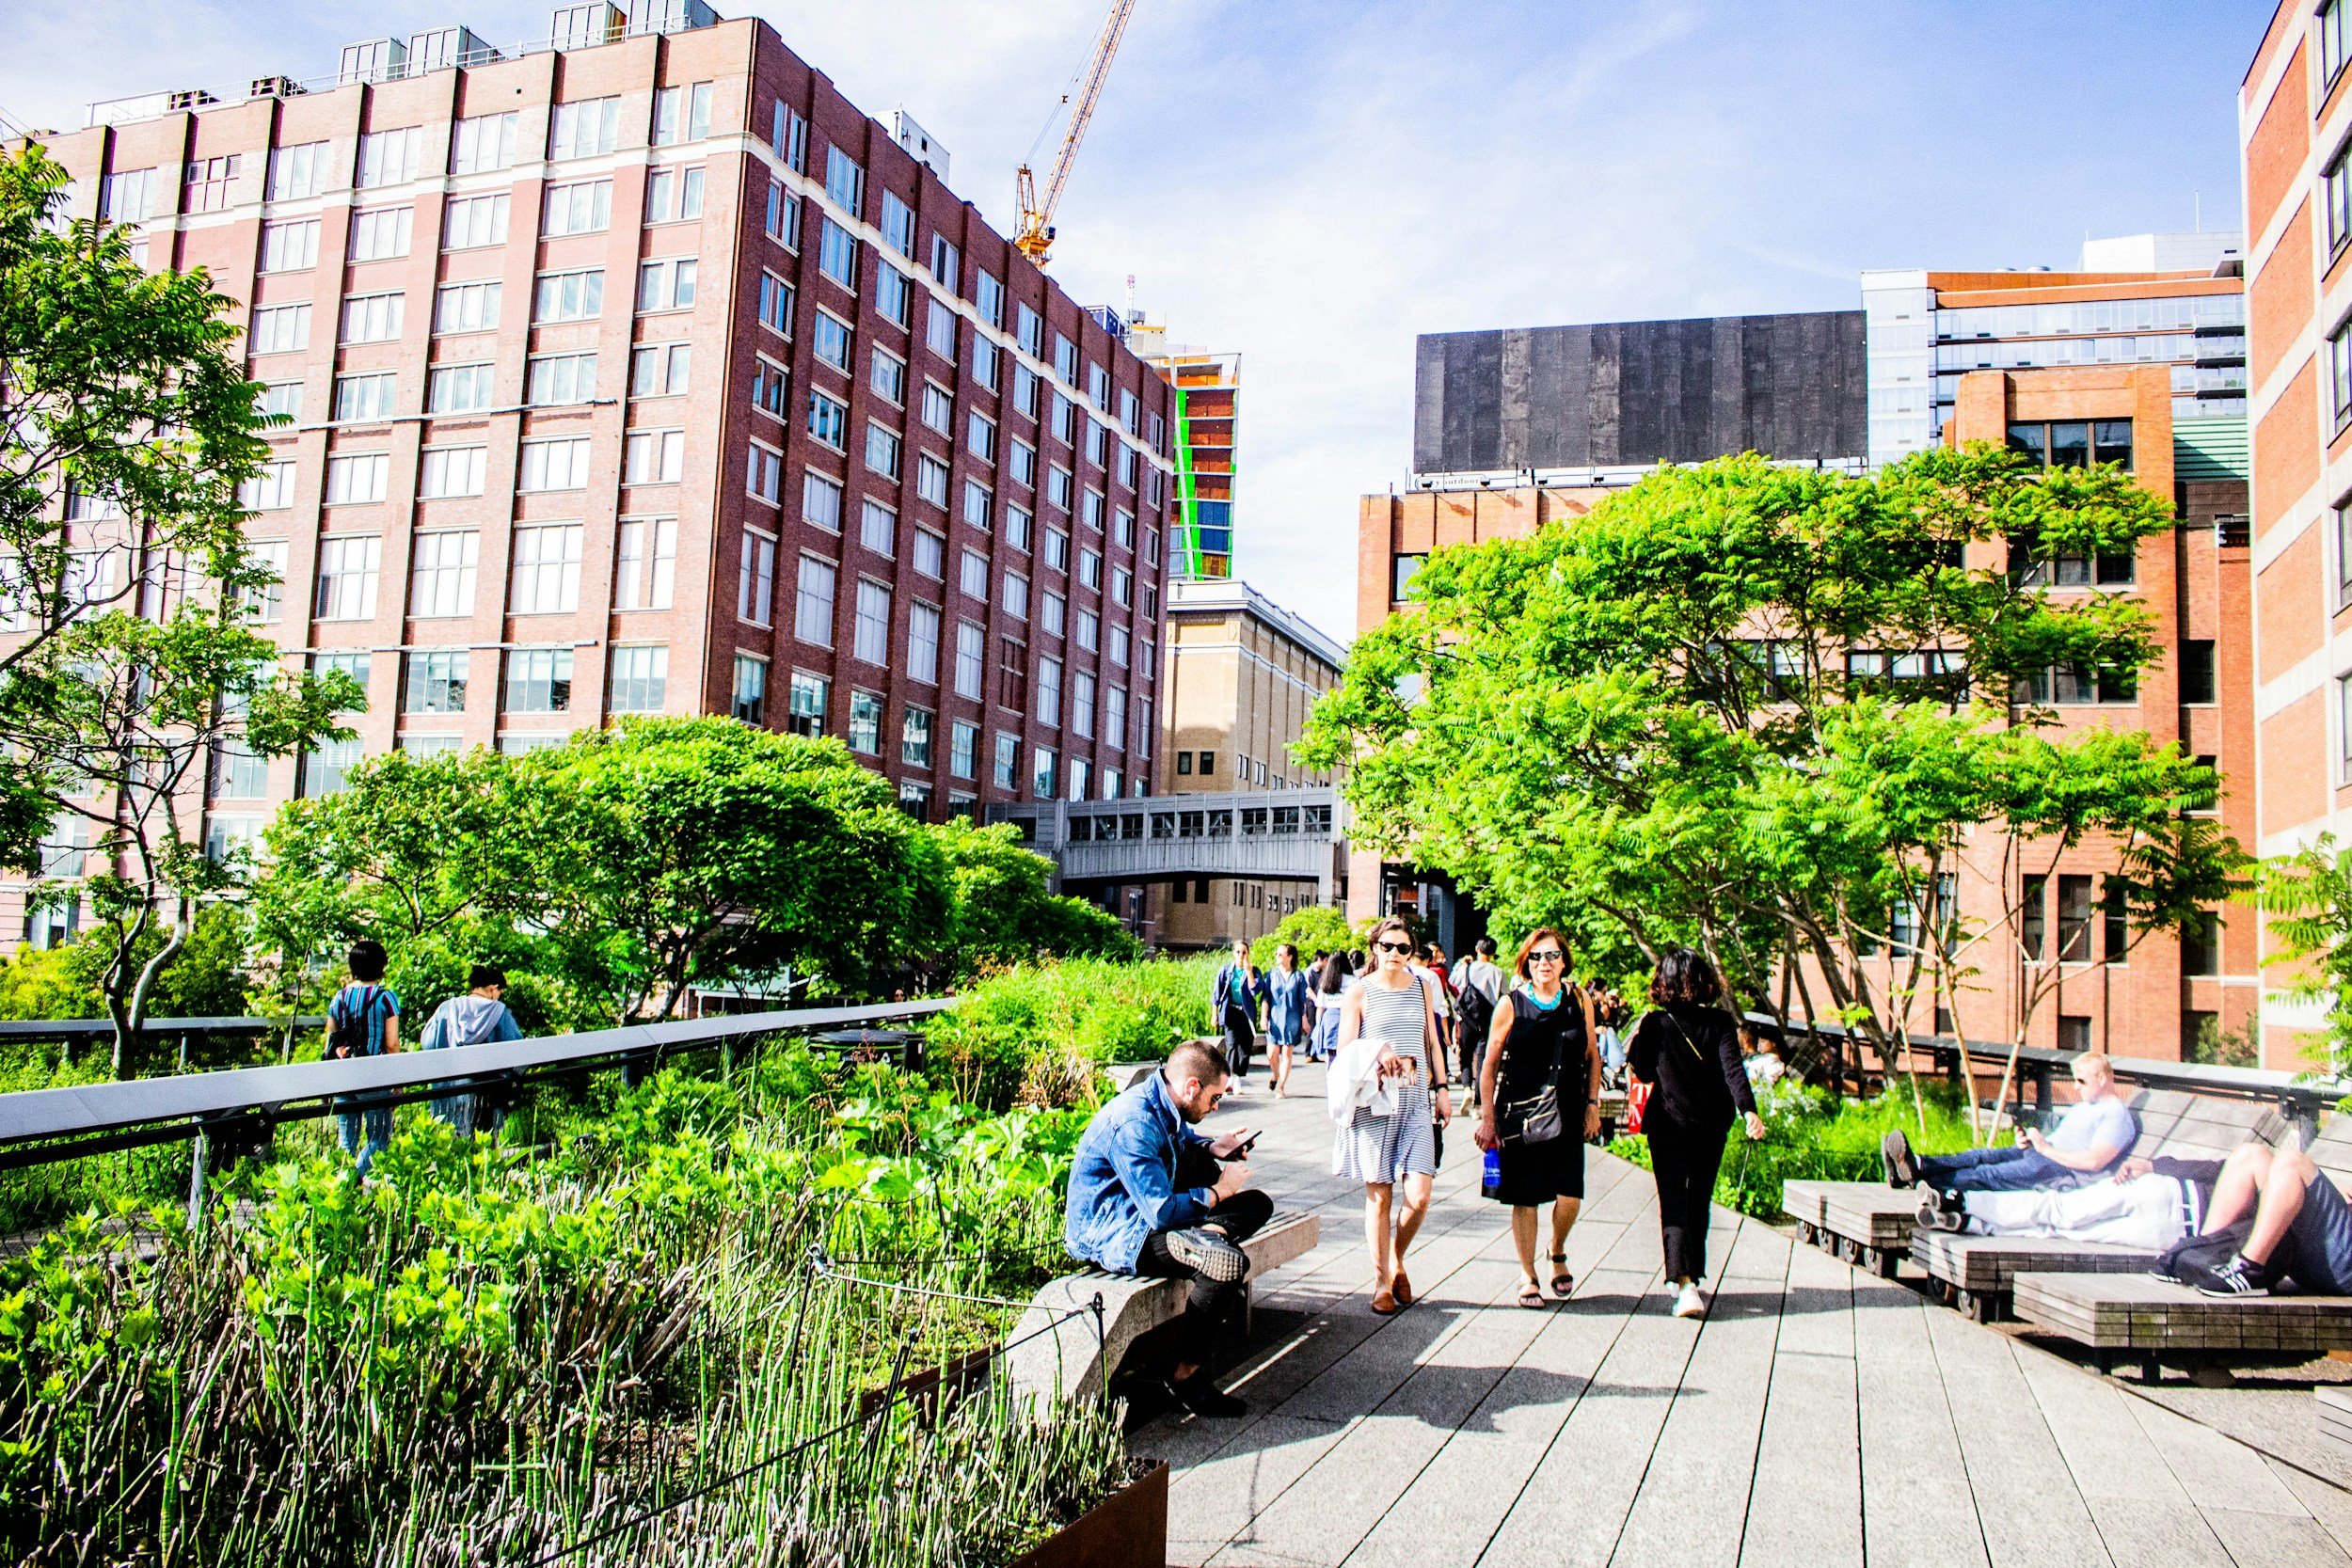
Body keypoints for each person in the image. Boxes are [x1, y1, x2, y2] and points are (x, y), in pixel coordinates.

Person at [1064, 1040, 1270, 1416]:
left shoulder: (1162, 1100)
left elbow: (1183, 1141)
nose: (1215, 1106)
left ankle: (1207, 1237)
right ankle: (1184, 1376)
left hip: (1150, 1220)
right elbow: (1159, 1210)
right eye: (1214, 1098)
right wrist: (1217, 1192)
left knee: (1258, 1203)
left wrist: (1214, 1147)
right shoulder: (1134, 1122)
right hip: (1123, 1234)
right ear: (1192, 1086)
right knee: (1226, 1266)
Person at [1625, 948, 1763, 1320]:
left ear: (1664, 982)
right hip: (1712, 1125)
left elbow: (1643, 1072)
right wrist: (1749, 1111)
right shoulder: (1720, 1022)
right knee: (1698, 1198)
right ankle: (1692, 1277)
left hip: (1668, 1123)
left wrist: (1641, 1035)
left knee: (1673, 1200)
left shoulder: (1657, 1023)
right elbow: (1734, 1069)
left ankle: (1683, 1282)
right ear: (1702, 981)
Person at [1474, 929, 1603, 1308]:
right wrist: (1488, 1118)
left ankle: (1557, 1250)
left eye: (1551, 956)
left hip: (1567, 1108)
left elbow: (1592, 1054)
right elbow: (1490, 1064)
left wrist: (1592, 1104)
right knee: (1525, 1197)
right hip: (1522, 1112)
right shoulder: (1511, 1004)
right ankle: (1528, 1272)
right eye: (1535, 957)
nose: (1543, 963)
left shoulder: (1579, 999)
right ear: (1525, 963)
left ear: (1564, 961)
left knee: (1570, 1195)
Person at [1328, 916, 1449, 1315]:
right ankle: (1381, 1280)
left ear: (1411, 952)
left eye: (1403, 948)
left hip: (1415, 1100)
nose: (1395, 954)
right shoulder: (1359, 992)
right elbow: (1345, 1050)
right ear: (1374, 949)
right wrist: (1378, 1051)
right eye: (1387, 947)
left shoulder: (1422, 986)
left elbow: (1432, 1041)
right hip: (1376, 1104)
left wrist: (1443, 1090)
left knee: (1420, 1195)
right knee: (1379, 1196)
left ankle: (1396, 1256)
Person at [1882, 1053, 2136, 1196]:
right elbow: (2066, 1140)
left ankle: (1921, 1184)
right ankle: (1918, 1165)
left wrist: (2046, 1149)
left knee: (1987, 1174)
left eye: (2081, 1081)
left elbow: (2094, 1162)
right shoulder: (2086, 1107)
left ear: (2102, 1078)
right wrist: (2030, 1142)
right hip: (2043, 1155)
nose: (2075, 1087)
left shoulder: (2115, 1114)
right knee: (1980, 1156)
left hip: (2058, 1169)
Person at [2163, 1137, 2352, 1298]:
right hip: (2330, 1254)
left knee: (2293, 1163)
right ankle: (2202, 1253)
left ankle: (2249, 1268)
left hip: (2343, 1270)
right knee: (2251, 1156)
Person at [1918, 1151, 2218, 1251]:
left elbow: (2220, 1170)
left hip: (2172, 1213)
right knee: (2060, 1220)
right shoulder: (2261, 1173)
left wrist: (2153, 1166)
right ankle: (1966, 1212)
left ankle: (1967, 1211)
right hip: (2175, 1220)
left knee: (2061, 1219)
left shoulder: (2260, 1166)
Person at [325, 940, 402, 1178]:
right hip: (375, 1075)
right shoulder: (385, 998)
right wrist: (398, 1083)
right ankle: (353, 1179)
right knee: (379, 1138)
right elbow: (391, 1044)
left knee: (346, 1141)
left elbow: (330, 1040)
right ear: (381, 967)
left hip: (343, 1075)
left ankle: (341, 1190)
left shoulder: (340, 997)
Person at [419, 964, 524, 1137]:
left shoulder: (447, 1008)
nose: (498, 998)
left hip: (447, 1089)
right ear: (492, 988)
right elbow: (516, 1049)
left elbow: (427, 1043)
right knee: (483, 1145)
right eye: (499, 993)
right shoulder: (499, 1012)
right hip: (485, 1095)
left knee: (449, 1142)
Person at [1452, 939, 1505, 1103]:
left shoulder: (1467, 968)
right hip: (1488, 1020)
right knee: (1483, 1060)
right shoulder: (1498, 972)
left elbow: (1453, 981)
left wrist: (1462, 964)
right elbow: (1504, 995)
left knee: (1466, 1055)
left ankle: (1467, 1088)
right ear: (1493, 953)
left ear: (1477, 949)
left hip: (1467, 1019)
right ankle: (1478, 1102)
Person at [1212, 940, 1268, 1088]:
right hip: (1230, 1011)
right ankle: (1230, 1077)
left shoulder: (1254, 971)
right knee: (1232, 1044)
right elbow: (1216, 994)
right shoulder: (1226, 971)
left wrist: (1249, 972)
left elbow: (1255, 990)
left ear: (1248, 954)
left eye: (1244, 952)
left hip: (1246, 1013)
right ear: (1233, 953)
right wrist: (1214, 1014)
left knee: (1244, 1047)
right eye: (1238, 952)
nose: (1241, 955)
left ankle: (1238, 1076)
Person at [1263, 943, 1311, 1098]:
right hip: (1275, 1018)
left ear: (1290, 957)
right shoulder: (1271, 975)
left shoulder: (1298, 976)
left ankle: (1281, 1087)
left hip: (1292, 1018)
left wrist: (1304, 1020)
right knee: (1272, 1053)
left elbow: (1301, 1000)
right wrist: (1263, 1017)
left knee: (1286, 1052)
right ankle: (1276, 1075)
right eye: (1276, 954)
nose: (1277, 957)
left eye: (1280, 954)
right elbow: (1266, 998)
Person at [1311, 949, 1356, 1062]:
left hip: (1329, 1018)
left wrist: (1319, 1025)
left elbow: (1320, 1007)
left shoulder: (1326, 981)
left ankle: (1331, 1076)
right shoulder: (1353, 980)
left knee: (1331, 1053)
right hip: (1348, 1016)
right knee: (1347, 1052)